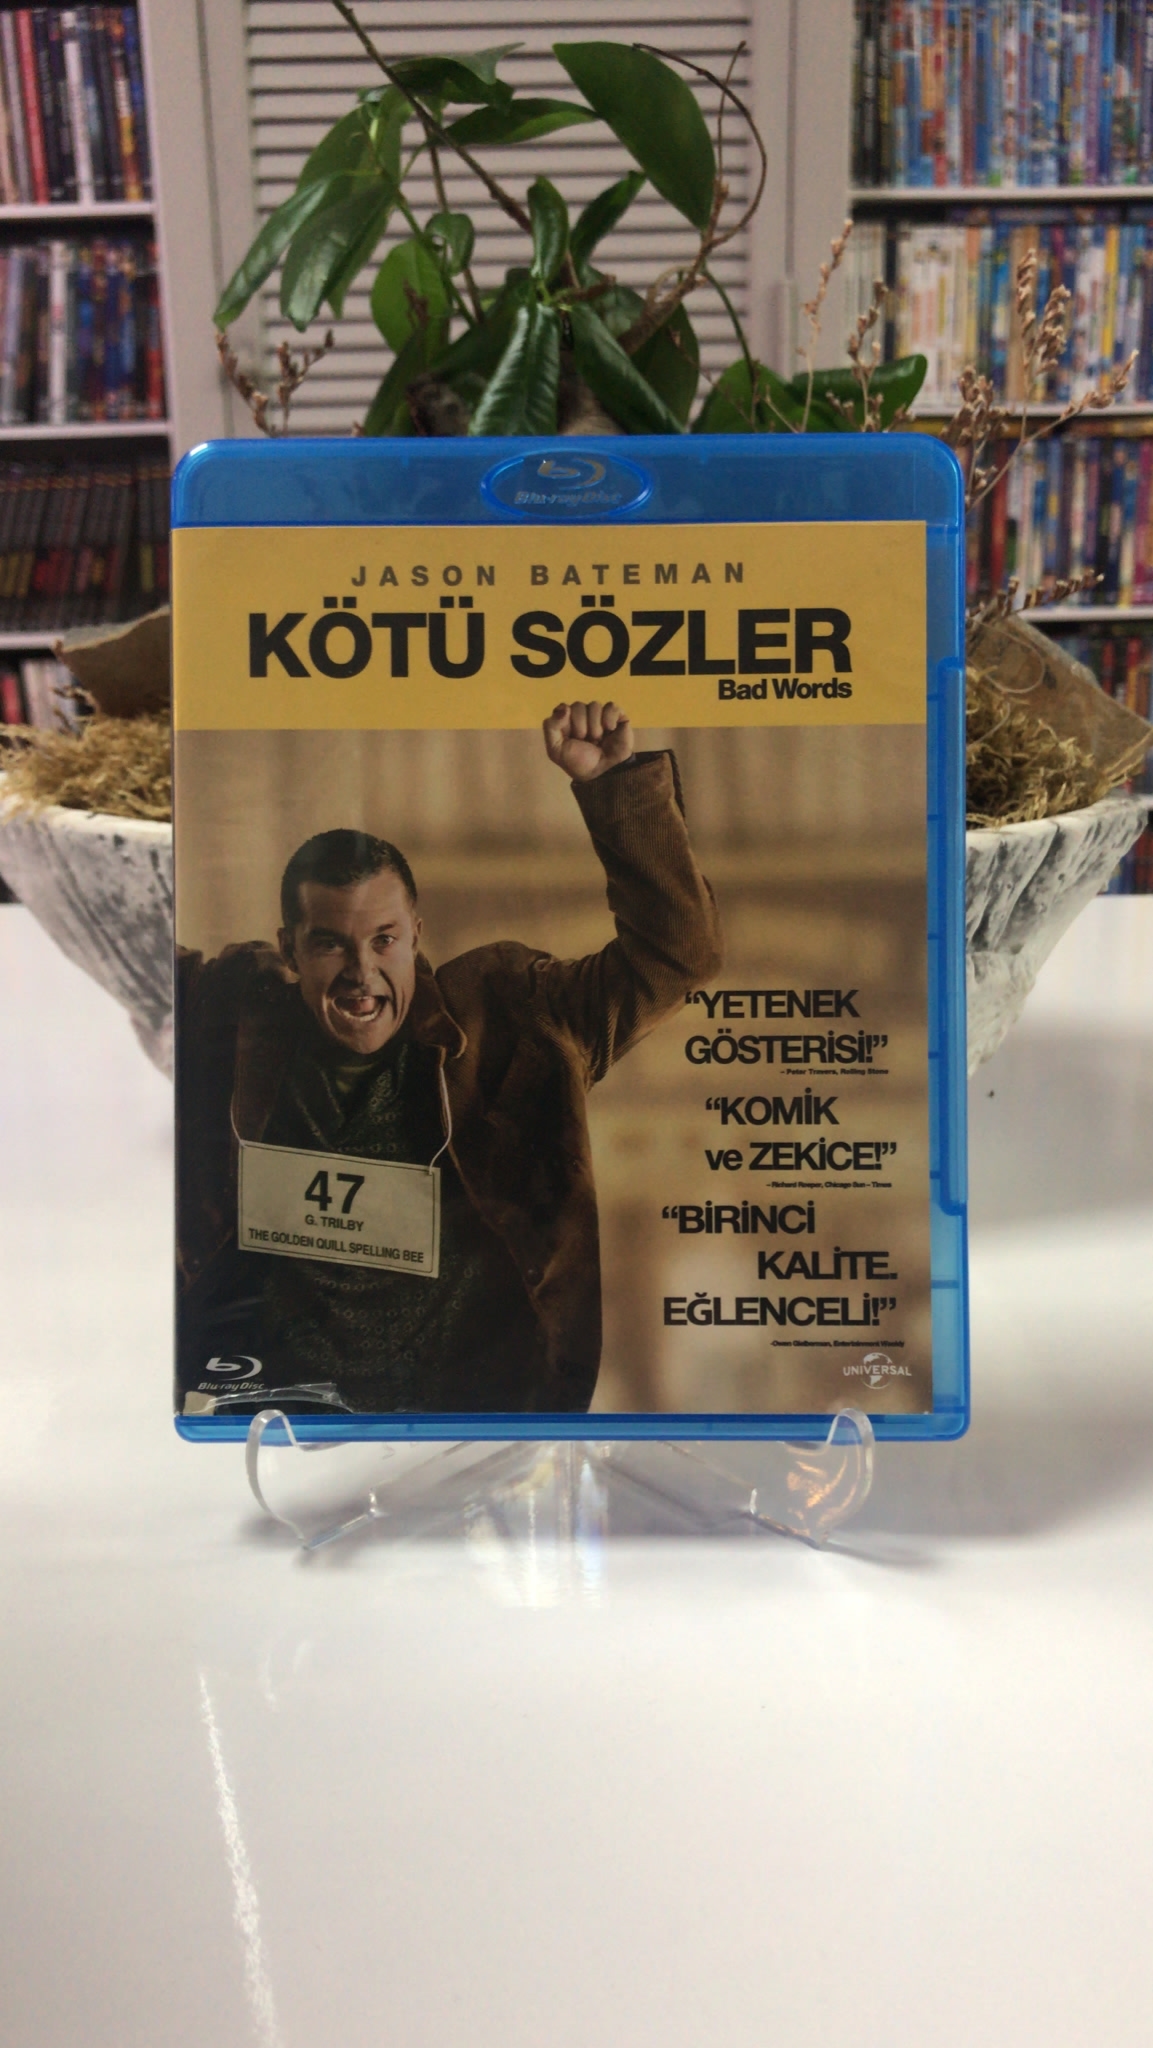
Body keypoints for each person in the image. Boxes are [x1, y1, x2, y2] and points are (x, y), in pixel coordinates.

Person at [176, 702, 723, 1417]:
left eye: (384, 940)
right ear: (291, 950)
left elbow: (677, 956)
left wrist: (615, 785)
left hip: (477, 1417)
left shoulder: (516, 1020)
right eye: (330, 944)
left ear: (415, 936)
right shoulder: (234, 1013)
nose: (361, 974)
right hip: (282, 1413)